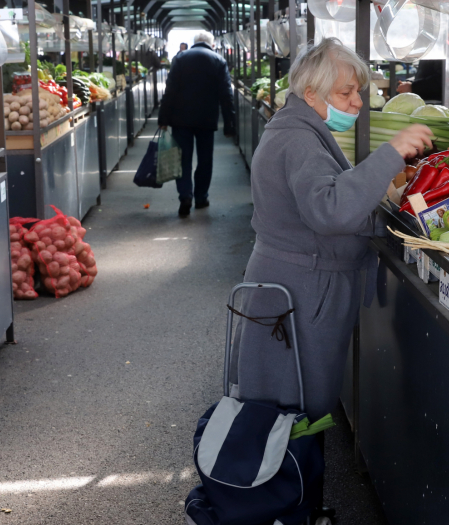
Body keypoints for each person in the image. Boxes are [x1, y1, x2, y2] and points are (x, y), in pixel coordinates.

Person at [230, 37, 432, 428]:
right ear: (310, 94)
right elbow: (330, 210)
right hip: (301, 289)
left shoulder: (295, 128)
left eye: (357, 91)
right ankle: (286, 485)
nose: (357, 101)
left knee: (285, 404)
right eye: (346, 92)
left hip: (294, 285)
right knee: (292, 407)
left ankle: (286, 482)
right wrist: (391, 153)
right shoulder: (299, 139)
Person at [158, 31, 236, 217]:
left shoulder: (180, 58)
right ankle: (201, 198)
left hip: (180, 119)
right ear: (212, 44)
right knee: (205, 160)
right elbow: (226, 95)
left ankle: (185, 196)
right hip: (206, 119)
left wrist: (163, 119)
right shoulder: (218, 60)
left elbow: (170, 90)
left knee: (183, 159)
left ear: (195, 43)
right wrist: (229, 124)